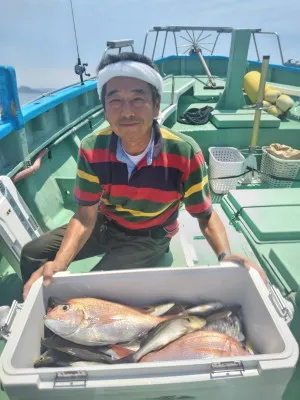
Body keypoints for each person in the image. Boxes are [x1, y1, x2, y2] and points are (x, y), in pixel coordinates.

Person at [21, 52, 267, 300]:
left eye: (138, 99)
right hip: (106, 225)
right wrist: (60, 264)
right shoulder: (91, 148)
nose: (126, 111)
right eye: (115, 100)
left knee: (92, 292)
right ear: (104, 108)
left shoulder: (184, 152)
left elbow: (204, 215)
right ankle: (37, 311)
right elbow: (86, 216)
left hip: (149, 236)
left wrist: (224, 255)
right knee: (33, 253)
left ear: (156, 106)